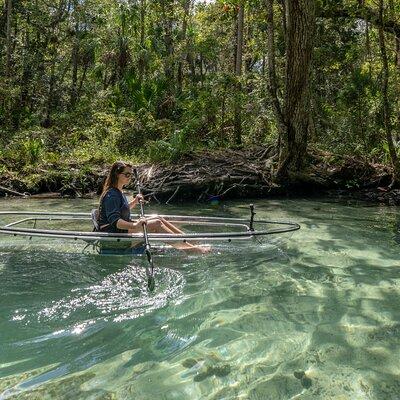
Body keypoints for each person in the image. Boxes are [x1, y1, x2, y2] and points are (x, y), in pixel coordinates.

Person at [98, 161, 210, 254]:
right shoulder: (111, 195)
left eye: (131, 175)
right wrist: (136, 225)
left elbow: (122, 210)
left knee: (158, 218)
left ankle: (187, 240)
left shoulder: (118, 192)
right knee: (156, 223)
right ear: (117, 174)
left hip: (120, 230)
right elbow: (115, 221)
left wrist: (134, 202)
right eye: (127, 175)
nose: (130, 177)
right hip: (114, 235)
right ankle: (189, 249)